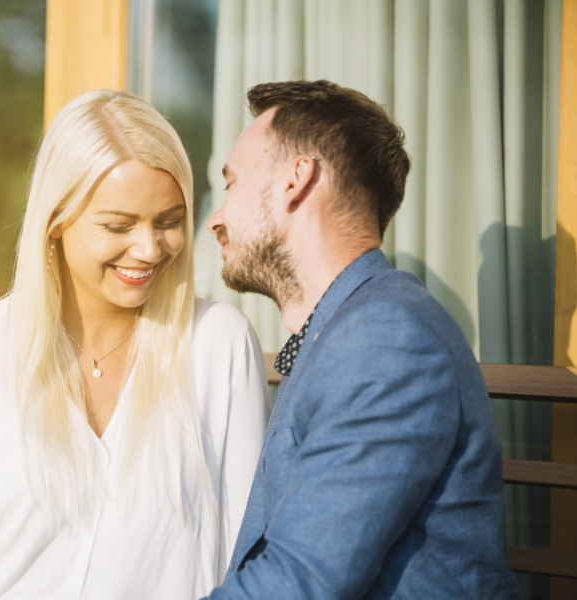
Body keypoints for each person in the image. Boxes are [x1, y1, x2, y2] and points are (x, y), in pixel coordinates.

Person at [0, 89, 270, 600]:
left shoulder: (218, 346)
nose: (150, 249)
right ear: (56, 221)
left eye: (169, 222)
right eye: (118, 225)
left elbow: (249, 568)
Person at [201, 80, 522, 599]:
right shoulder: (348, 327)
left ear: (296, 179)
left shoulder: (385, 340)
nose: (215, 217)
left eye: (233, 183)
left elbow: (300, 582)